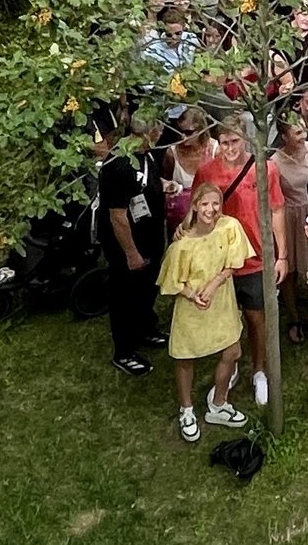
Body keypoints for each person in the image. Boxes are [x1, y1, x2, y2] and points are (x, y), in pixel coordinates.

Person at [196, 118, 287, 407]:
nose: (230, 148)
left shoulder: (266, 168)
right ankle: (231, 362)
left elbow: (277, 210)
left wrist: (282, 254)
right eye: (224, 142)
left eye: (235, 141)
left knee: (256, 317)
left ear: (245, 140)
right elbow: (195, 211)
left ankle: (259, 370)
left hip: (256, 257)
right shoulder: (206, 172)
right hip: (220, 261)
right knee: (226, 318)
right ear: (217, 143)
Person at [156, 182, 252, 440]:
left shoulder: (229, 227)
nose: (211, 209)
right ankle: (186, 409)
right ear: (195, 206)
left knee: (233, 351)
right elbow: (171, 282)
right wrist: (194, 295)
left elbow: (234, 261)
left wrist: (213, 286)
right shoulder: (182, 245)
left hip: (221, 302)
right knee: (185, 358)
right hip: (192, 307)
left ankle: (219, 404)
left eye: (215, 203)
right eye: (205, 204)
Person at [95, 112, 167, 377]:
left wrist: (165, 187)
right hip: (127, 245)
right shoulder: (120, 164)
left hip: (150, 236)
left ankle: (146, 328)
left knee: (147, 287)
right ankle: (124, 350)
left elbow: (148, 184)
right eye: (158, 129)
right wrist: (131, 253)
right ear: (149, 132)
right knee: (125, 294)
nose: (160, 134)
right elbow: (117, 216)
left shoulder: (146, 155)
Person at [271, 116, 308, 343]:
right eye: (297, 133)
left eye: (304, 131)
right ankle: (294, 318)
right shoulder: (274, 162)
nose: (304, 136)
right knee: (290, 270)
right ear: (284, 137)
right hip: (288, 216)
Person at [162, 107, 216, 236]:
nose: (183, 136)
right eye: (179, 131)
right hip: (180, 224)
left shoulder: (215, 150)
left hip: (211, 220)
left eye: (188, 132)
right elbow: (165, 181)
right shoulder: (172, 153)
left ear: (201, 130)